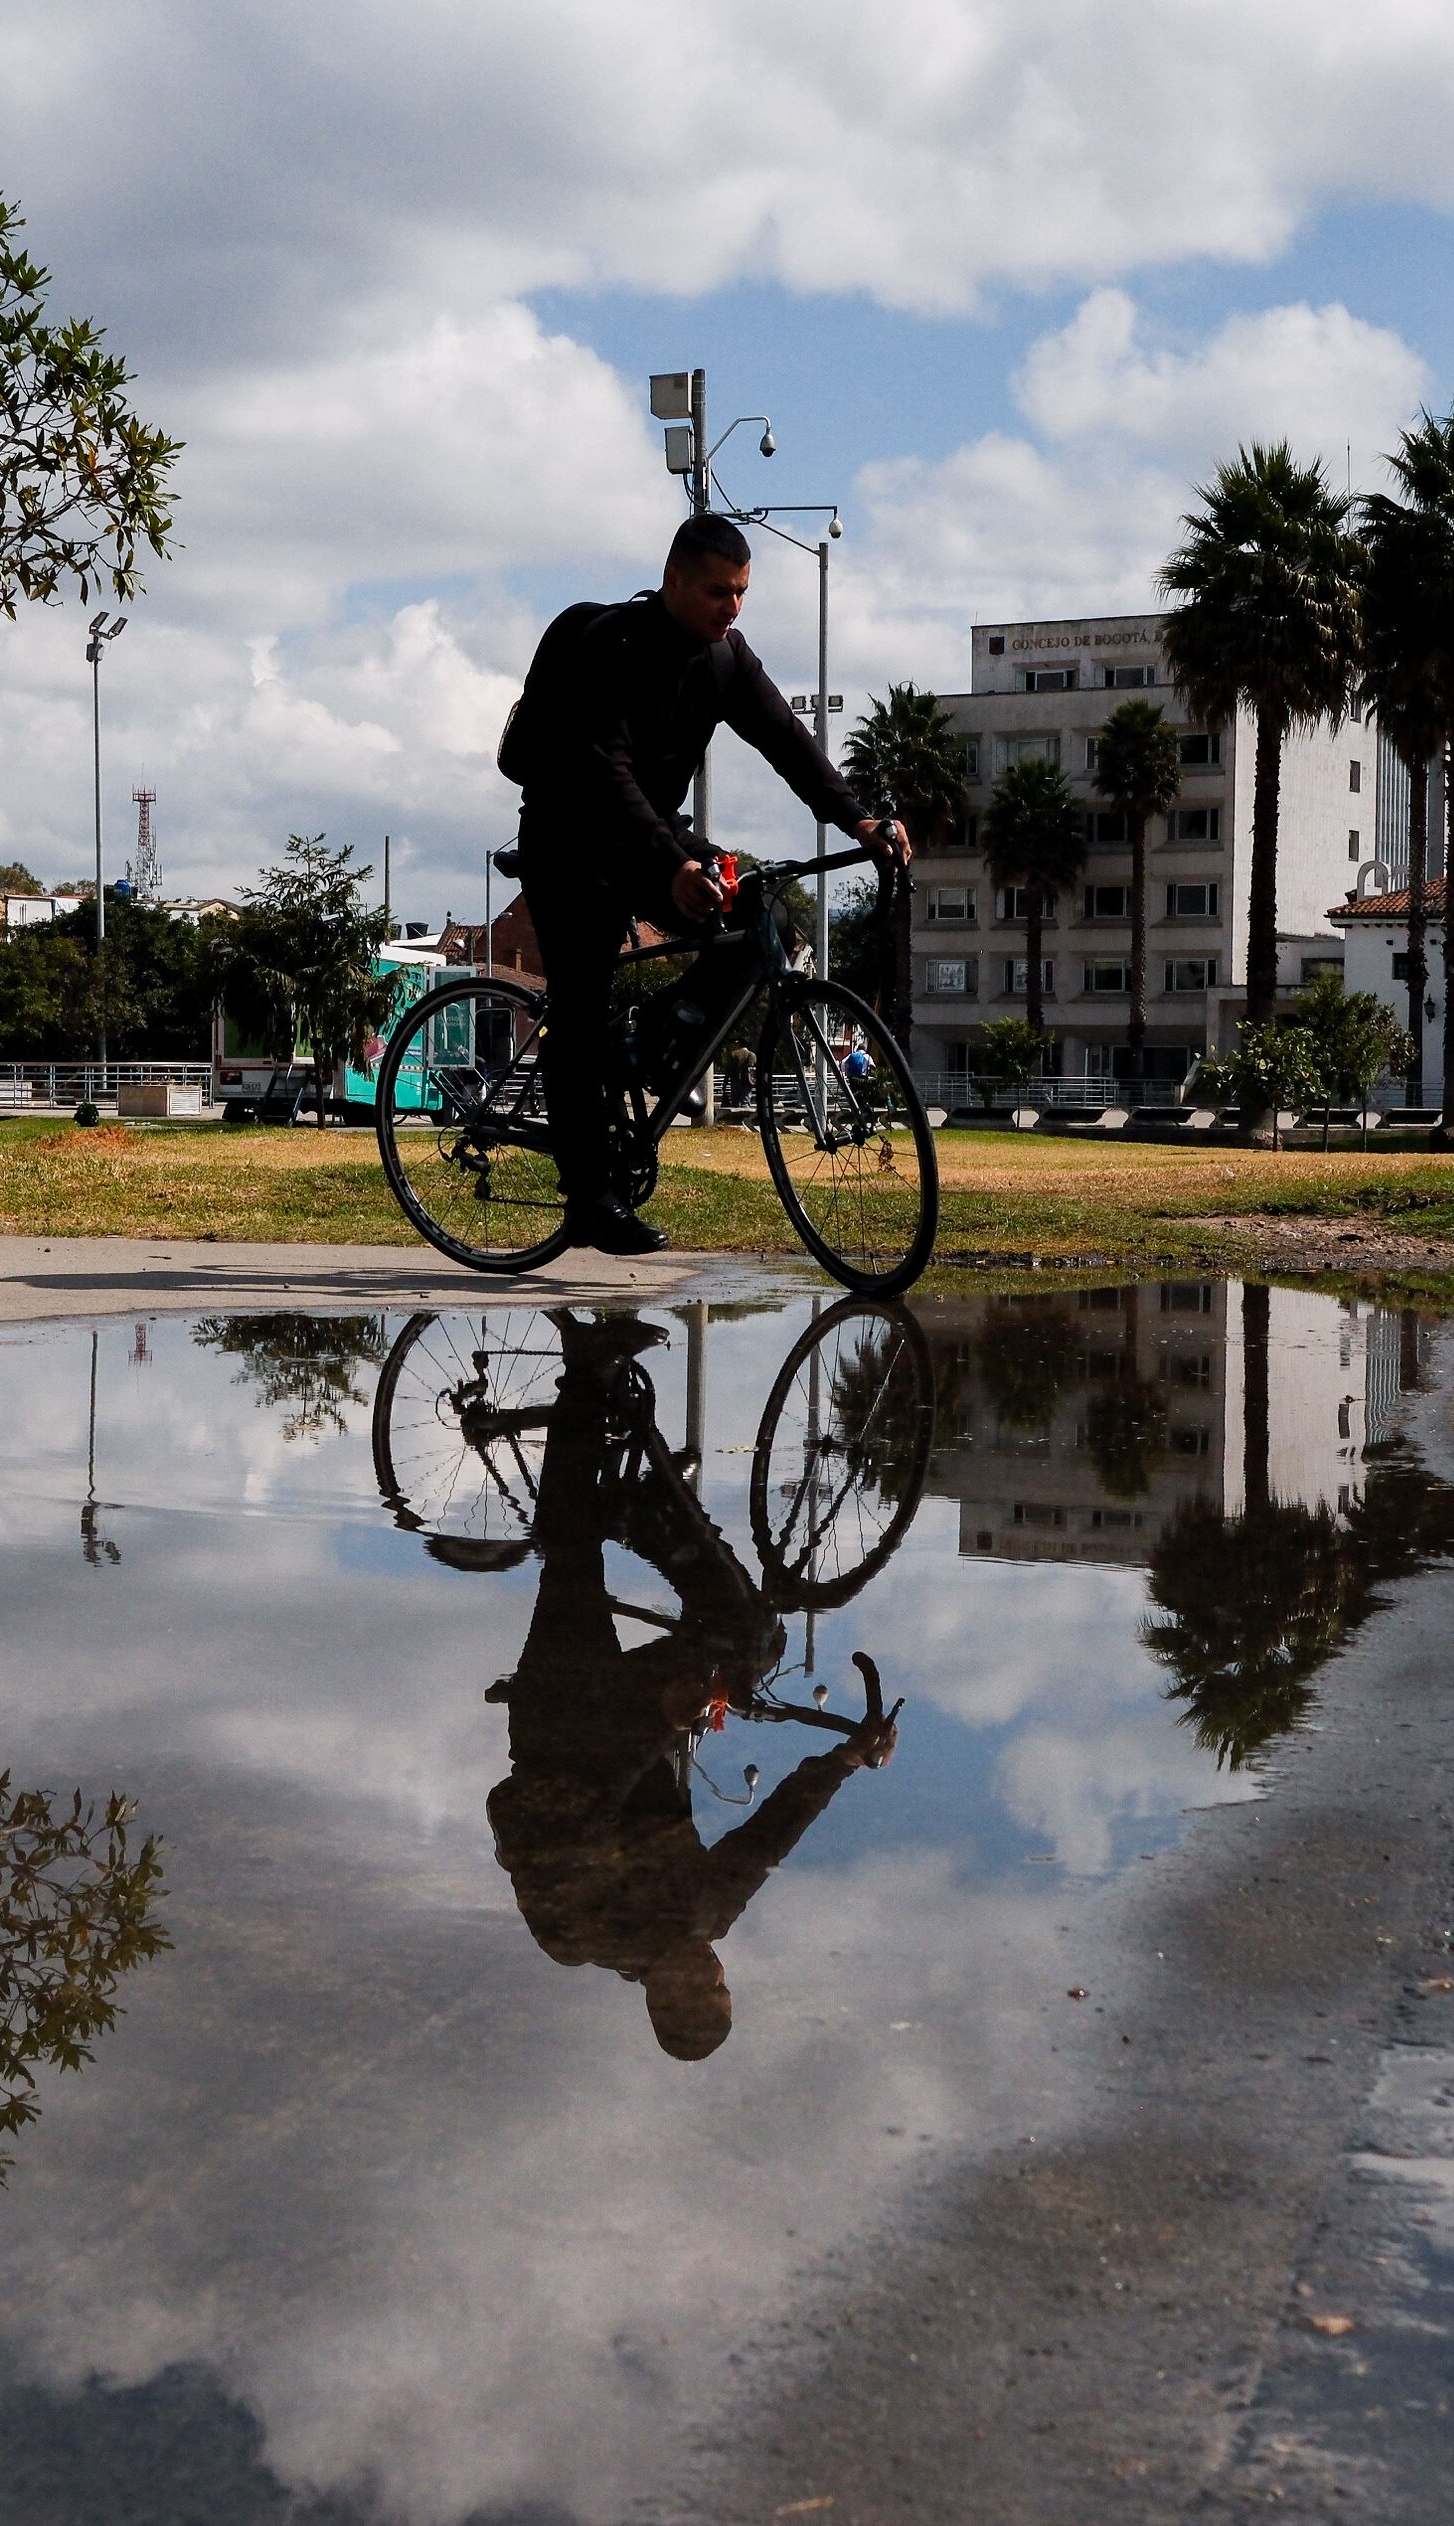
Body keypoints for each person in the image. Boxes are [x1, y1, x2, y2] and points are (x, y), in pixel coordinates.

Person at [486, 1313, 896, 2060]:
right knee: (748, 1641)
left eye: (696, 1992)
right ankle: (644, 1503)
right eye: (720, 1987)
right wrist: (840, 1764)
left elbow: (544, 1814)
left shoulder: (577, 1935)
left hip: (560, 1722)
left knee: (574, 1565)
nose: (711, 1973)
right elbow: (768, 1839)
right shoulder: (707, 1912)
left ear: (657, 2000)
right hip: (625, 1716)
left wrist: (658, 1725)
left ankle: (588, 1378)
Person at [505, 513, 909, 1256]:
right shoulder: (611, 648)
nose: (733, 607)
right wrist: (673, 866)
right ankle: (588, 1198)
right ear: (674, 582)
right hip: (569, 838)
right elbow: (607, 771)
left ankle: (654, 1045)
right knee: (583, 1005)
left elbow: (786, 739)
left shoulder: (727, 658)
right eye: (720, 591)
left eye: (743, 593)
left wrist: (858, 821)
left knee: (764, 923)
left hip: (650, 832)